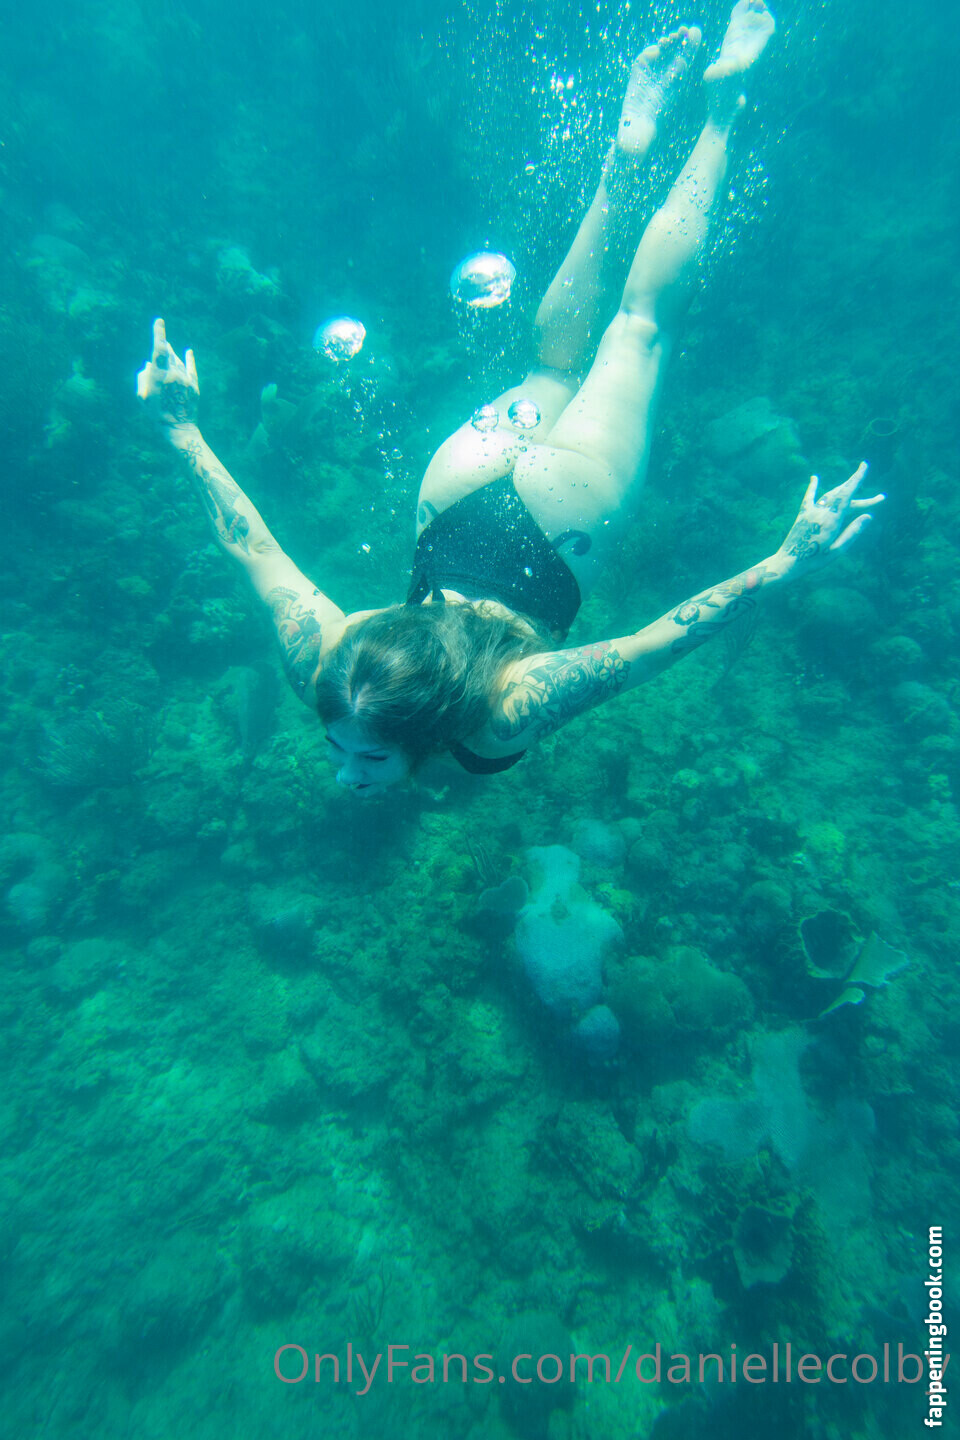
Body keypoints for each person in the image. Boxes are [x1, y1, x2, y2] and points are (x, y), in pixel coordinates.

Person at [137, 0, 883, 799]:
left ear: (428, 730)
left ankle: (722, 111)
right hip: (454, 493)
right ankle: (622, 157)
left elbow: (649, 647)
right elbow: (253, 549)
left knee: (641, 328)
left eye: (364, 758)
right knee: (551, 367)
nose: (344, 774)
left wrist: (783, 563)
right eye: (349, 752)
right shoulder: (322, 663)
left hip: (564, 522)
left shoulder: (503, 711)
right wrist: (181, 430)